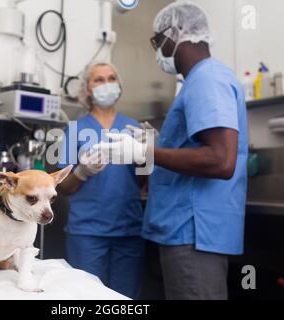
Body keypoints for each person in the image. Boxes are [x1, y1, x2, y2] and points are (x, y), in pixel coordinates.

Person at [94, 1, 248, 300]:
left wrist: (146, 151)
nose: (157, 51)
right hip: (189, 231)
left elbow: (220, 159)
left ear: (175, 32)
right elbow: (197, 147)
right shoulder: (200, 81)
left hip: (193, 233)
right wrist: (156, 143)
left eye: (157, 41)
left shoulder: (207, 79)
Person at [56, 61, 145, 299]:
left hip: (128, 230)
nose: (107, 84)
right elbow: (62, 187)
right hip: (88, 232)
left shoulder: (134, 128)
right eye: (99, 80)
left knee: (125, 300)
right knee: (86, 297)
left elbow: (144, 182)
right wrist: (82, 172)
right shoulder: (75, 129)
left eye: (112, 78)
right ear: (87, 88)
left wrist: (148, 150)